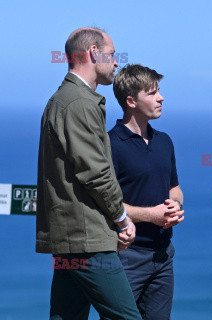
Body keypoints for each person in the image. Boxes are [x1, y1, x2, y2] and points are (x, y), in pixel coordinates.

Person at [36, 27, 142, 319]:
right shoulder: (80, 103)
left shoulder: (62, 99)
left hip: (70, 237)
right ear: (94, 53)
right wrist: (121, 219)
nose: (117, 62)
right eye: (112, 54)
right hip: (87, 239)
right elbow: (95, 172)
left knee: (66, 315)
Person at [109, 64, 184, 320]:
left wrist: (175, 205)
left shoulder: (164, 141)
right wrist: (150, 215)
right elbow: (105, 202)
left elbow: (174, 188)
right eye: (151, 93)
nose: (160, 98)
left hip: (163, 254)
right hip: (126, 256)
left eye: (158, 91)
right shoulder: (110, 144)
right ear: (131, 100)